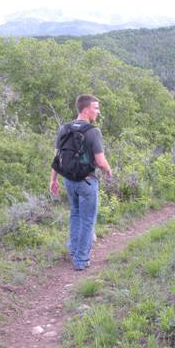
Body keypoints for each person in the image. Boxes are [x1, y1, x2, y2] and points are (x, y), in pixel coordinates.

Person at [50, 95, 112, 271]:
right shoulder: (93, 131)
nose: (98, 112)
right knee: (87, 220)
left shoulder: (64, 129)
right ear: (86, 110)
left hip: (69, 180)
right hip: (87, 181)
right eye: (96, 108)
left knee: (75, 215)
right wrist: (108, 170)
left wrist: (53, 180)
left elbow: (57, 157)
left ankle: (74, 251)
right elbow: (100, 161)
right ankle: (81, 260)